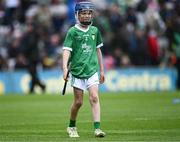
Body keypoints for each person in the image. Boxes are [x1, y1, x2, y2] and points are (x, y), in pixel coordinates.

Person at [62, 1, 106, 138]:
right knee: (78, 102)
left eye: (89, 13)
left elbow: (98, 51)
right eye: (83, 13)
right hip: (77, 72)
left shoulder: (95, 31)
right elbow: (66, 51)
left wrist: (102, 70)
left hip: (92, 70)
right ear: (77, 15)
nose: (87, 16)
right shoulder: (72, 32)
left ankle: (97, 128)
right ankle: (71, 126)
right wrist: (64, 68)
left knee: (94, 97)